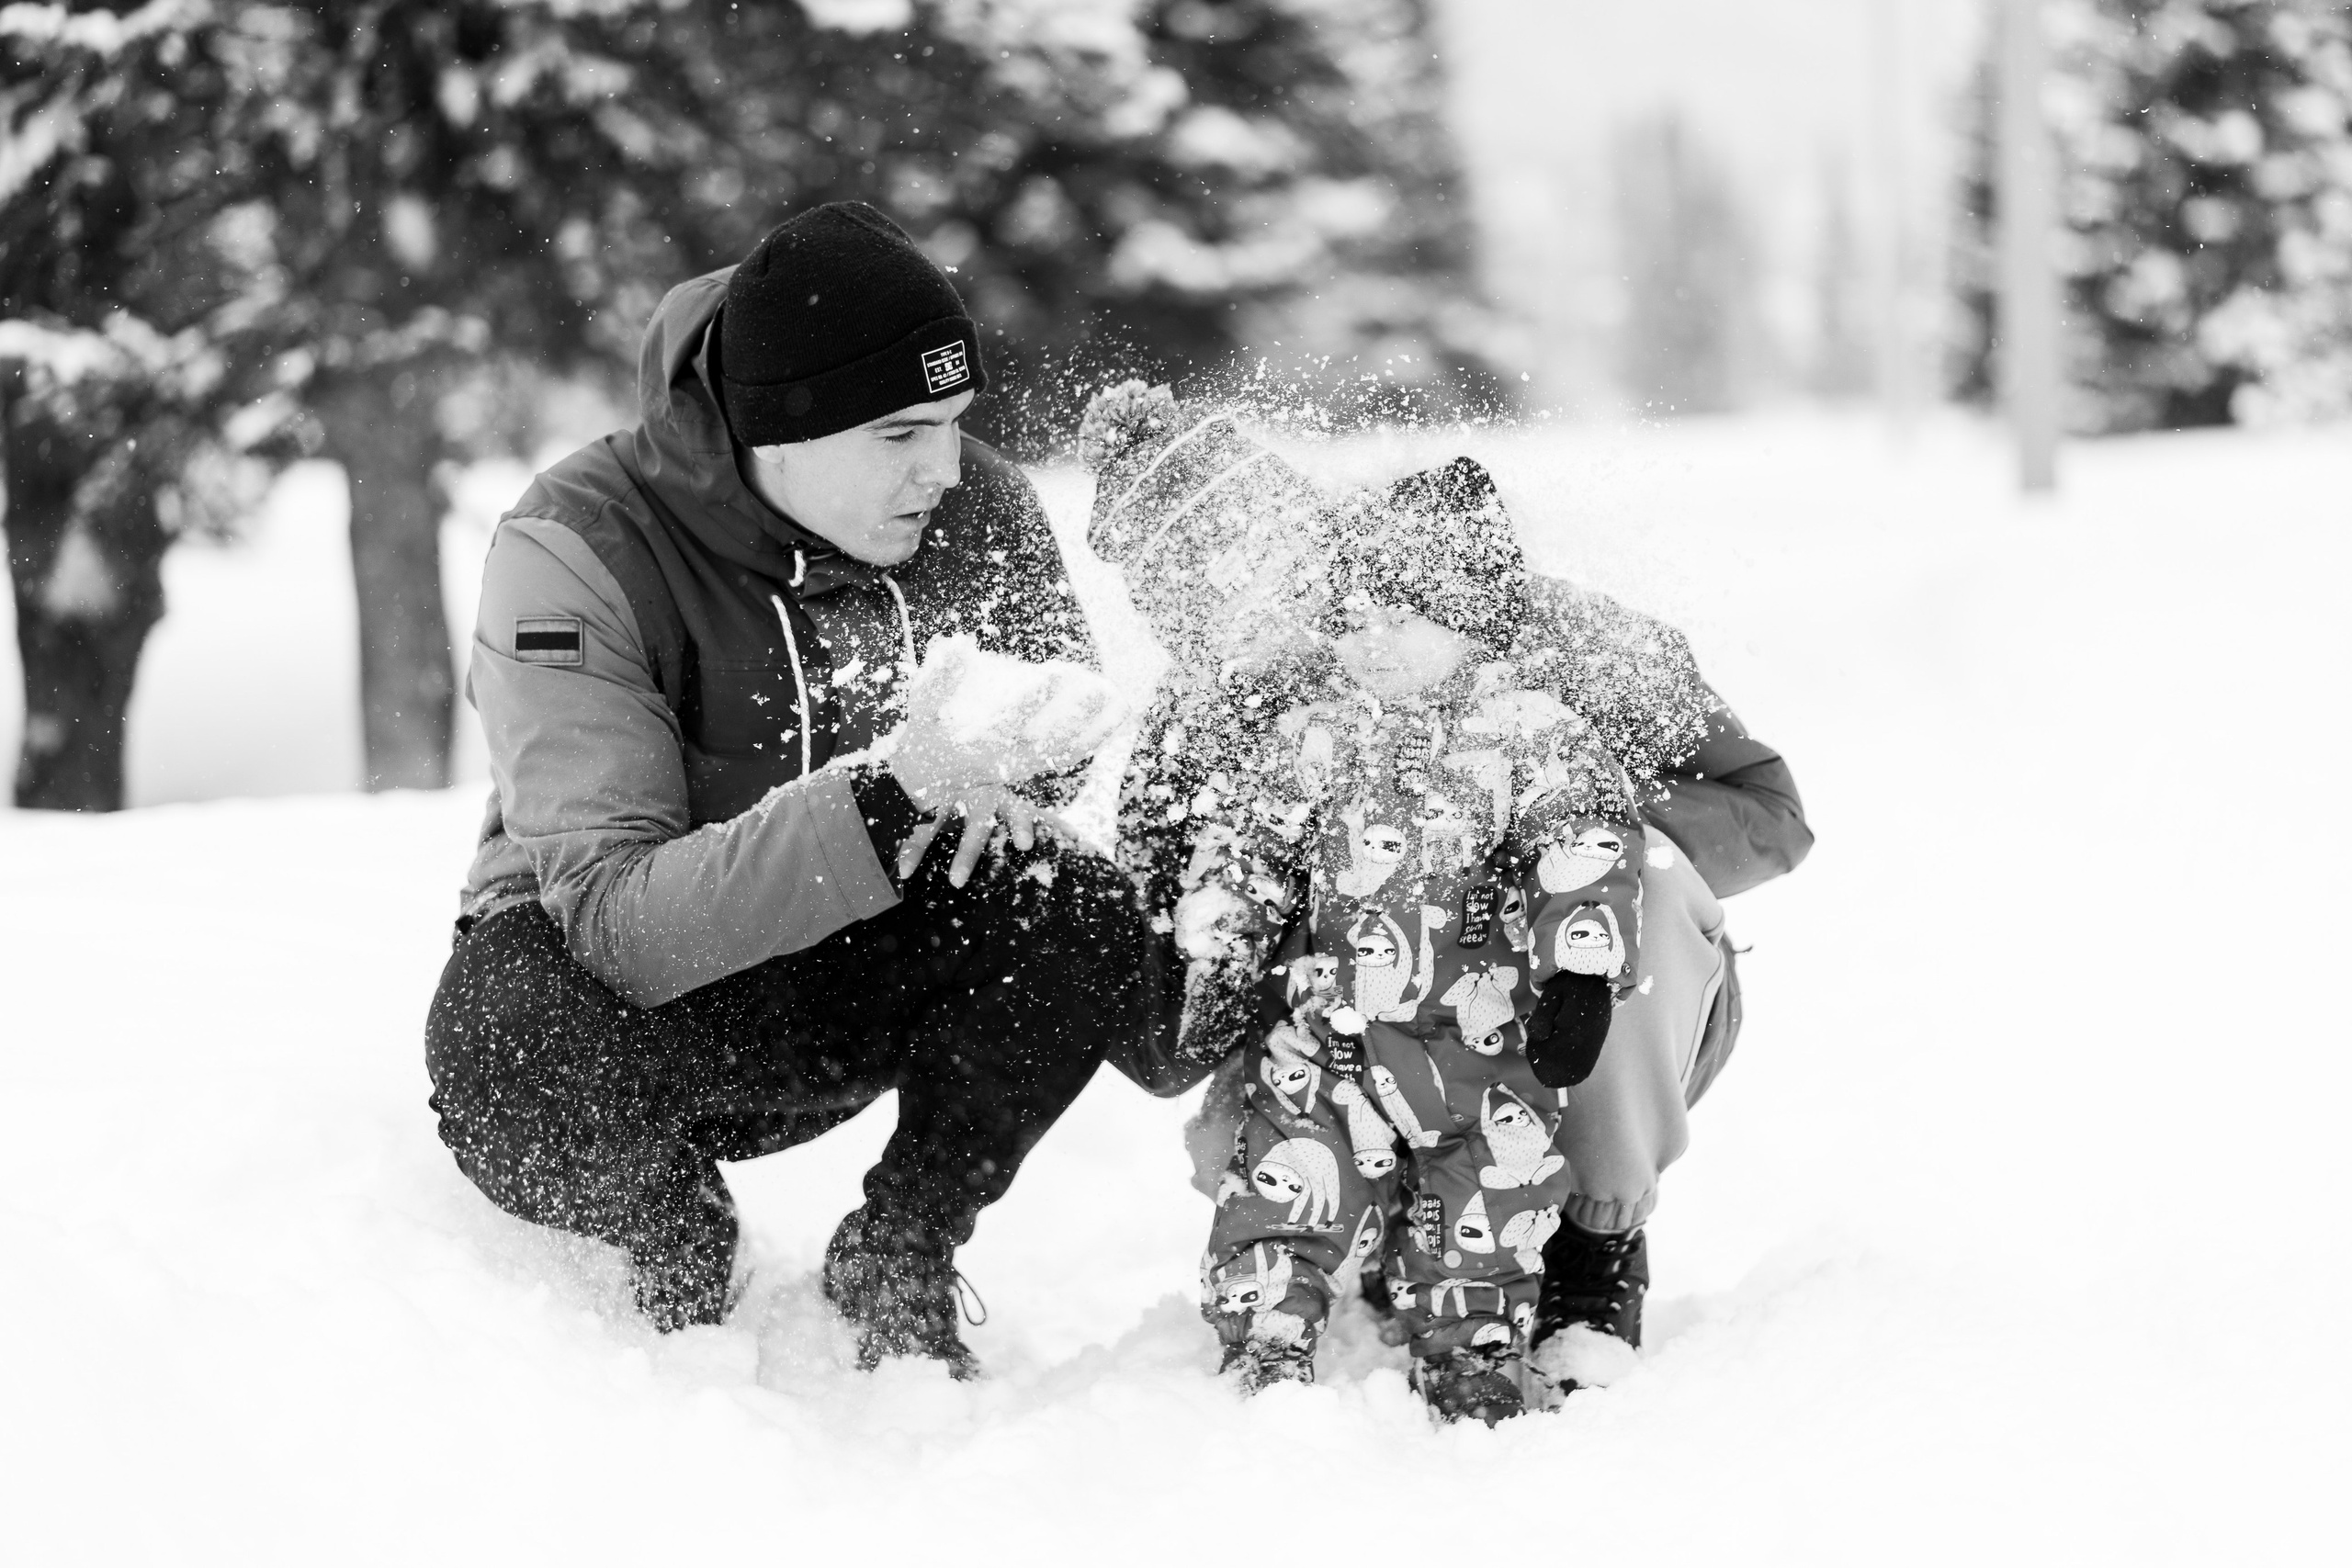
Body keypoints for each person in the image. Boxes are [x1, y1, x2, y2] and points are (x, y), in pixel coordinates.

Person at [423, 202, 1148, 1377]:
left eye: (956, 424)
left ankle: (900, 1244)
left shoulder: (978, 506)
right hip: (624, 984)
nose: (945, 469)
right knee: (509, 1065)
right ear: (776, 430)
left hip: (856, 951)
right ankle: (669, 1231)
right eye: (903, 433)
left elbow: (1054, 737)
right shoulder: (573, 546)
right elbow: (611, 919)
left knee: (1077, 910)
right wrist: (888, 797)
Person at [1081, 382, 1812, 1406]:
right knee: (1254, 1147)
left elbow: (1771, 815)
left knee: (1622, 874)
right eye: (1188, 599)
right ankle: (1387, 1245)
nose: (1240, 620)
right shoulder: (1227, 704)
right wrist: (1232, 951)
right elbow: (1174, 995)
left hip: (1588, 998)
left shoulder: (1558, 638)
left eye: (1244, 571)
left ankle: (1596, 1237)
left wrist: (1499, 842)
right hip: (1361, 1018)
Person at [1186, 488, 1648, 1424]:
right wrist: (1223, 943)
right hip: (1331, 1032)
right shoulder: (1319, 728)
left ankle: (1472, 1352)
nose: (1371, 636)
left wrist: (1582, 973)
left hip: (1481, 1041)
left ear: (1469, 623)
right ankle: (1268, 1331)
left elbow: (1586, 843)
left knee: (1489, 1202)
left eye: (1404, 613)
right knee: (1288, 1178)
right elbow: (1247, 838)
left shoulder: (1528, 731)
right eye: (1354, 614)